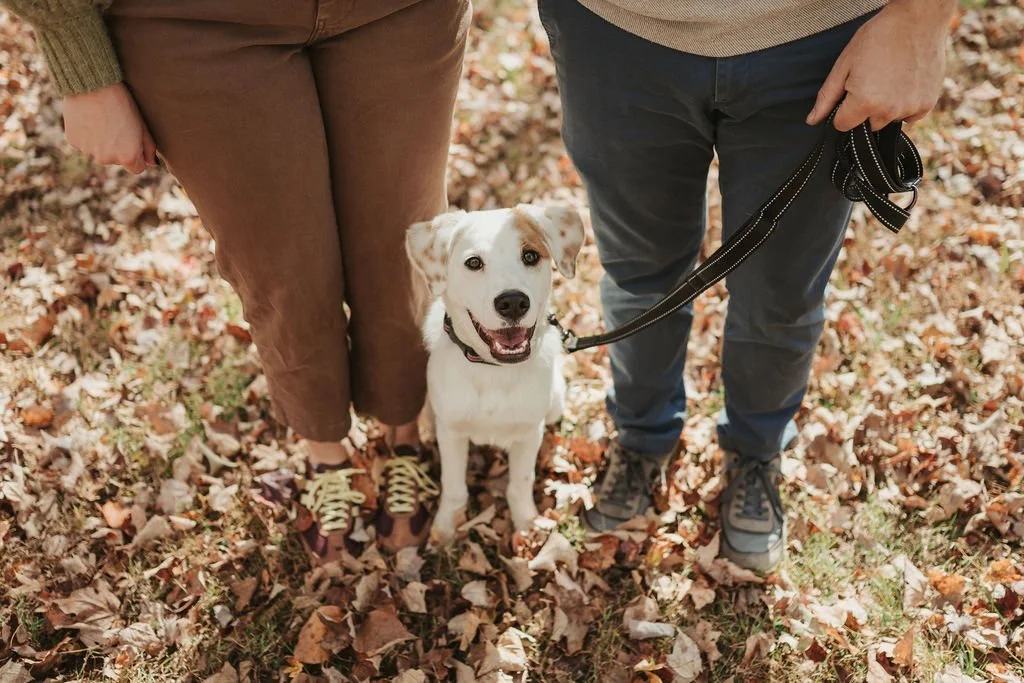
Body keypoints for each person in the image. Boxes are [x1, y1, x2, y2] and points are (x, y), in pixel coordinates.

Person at [3, 0, 471, 561]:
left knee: (400, 246)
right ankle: (325, 454)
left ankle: (403, 435)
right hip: (196, 26)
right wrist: (76, 56)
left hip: (400, 12)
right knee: (280, 267)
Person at [538, 0, 953, 570]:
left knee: (780, 295)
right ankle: (641, 438)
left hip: (817, 35)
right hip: (614, 29)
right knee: (639, 274)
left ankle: (756, 454)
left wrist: (922, 18)